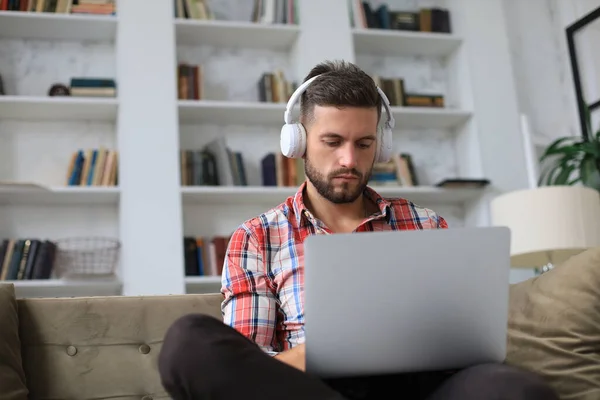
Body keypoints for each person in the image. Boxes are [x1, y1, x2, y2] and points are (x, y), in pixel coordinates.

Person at [158, 60, 558, 400]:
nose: (349, 159)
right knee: (189, 341)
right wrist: (335, 351)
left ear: (380, 146)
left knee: (512, 388)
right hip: (315, 390)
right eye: (332, 141)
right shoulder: (258, 237)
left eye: (364, 144)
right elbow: (254, 365)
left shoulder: (427, 225)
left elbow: (465, 339)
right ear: (297, 141)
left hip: (421, 387)